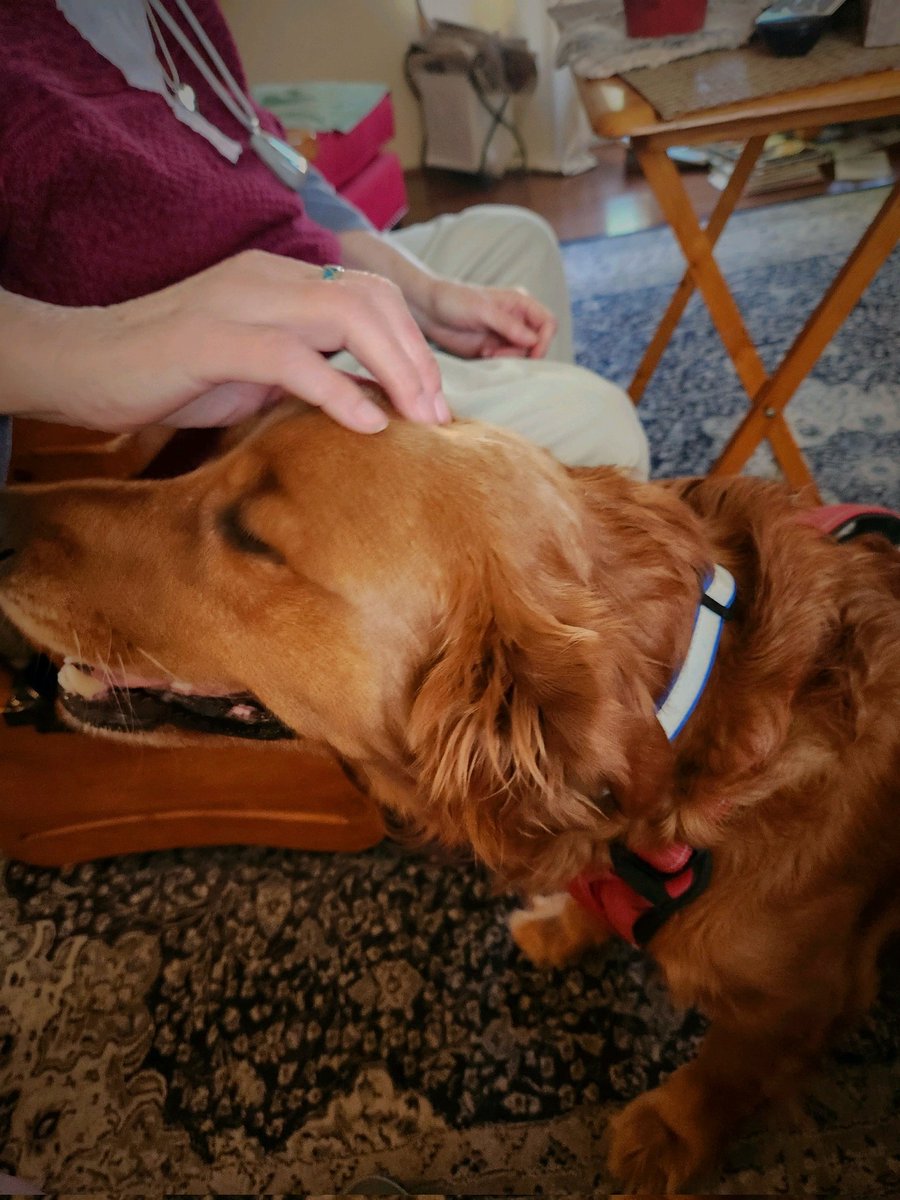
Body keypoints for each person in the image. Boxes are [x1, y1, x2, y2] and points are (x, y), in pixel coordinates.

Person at [0, 0, 649, 483]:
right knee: (596, 426)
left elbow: (283, 183)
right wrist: (118, 340)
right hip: (199, 362)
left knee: (520, 244)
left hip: (287, 281)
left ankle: (499, 521)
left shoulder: (172, 17)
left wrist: (422, 292)